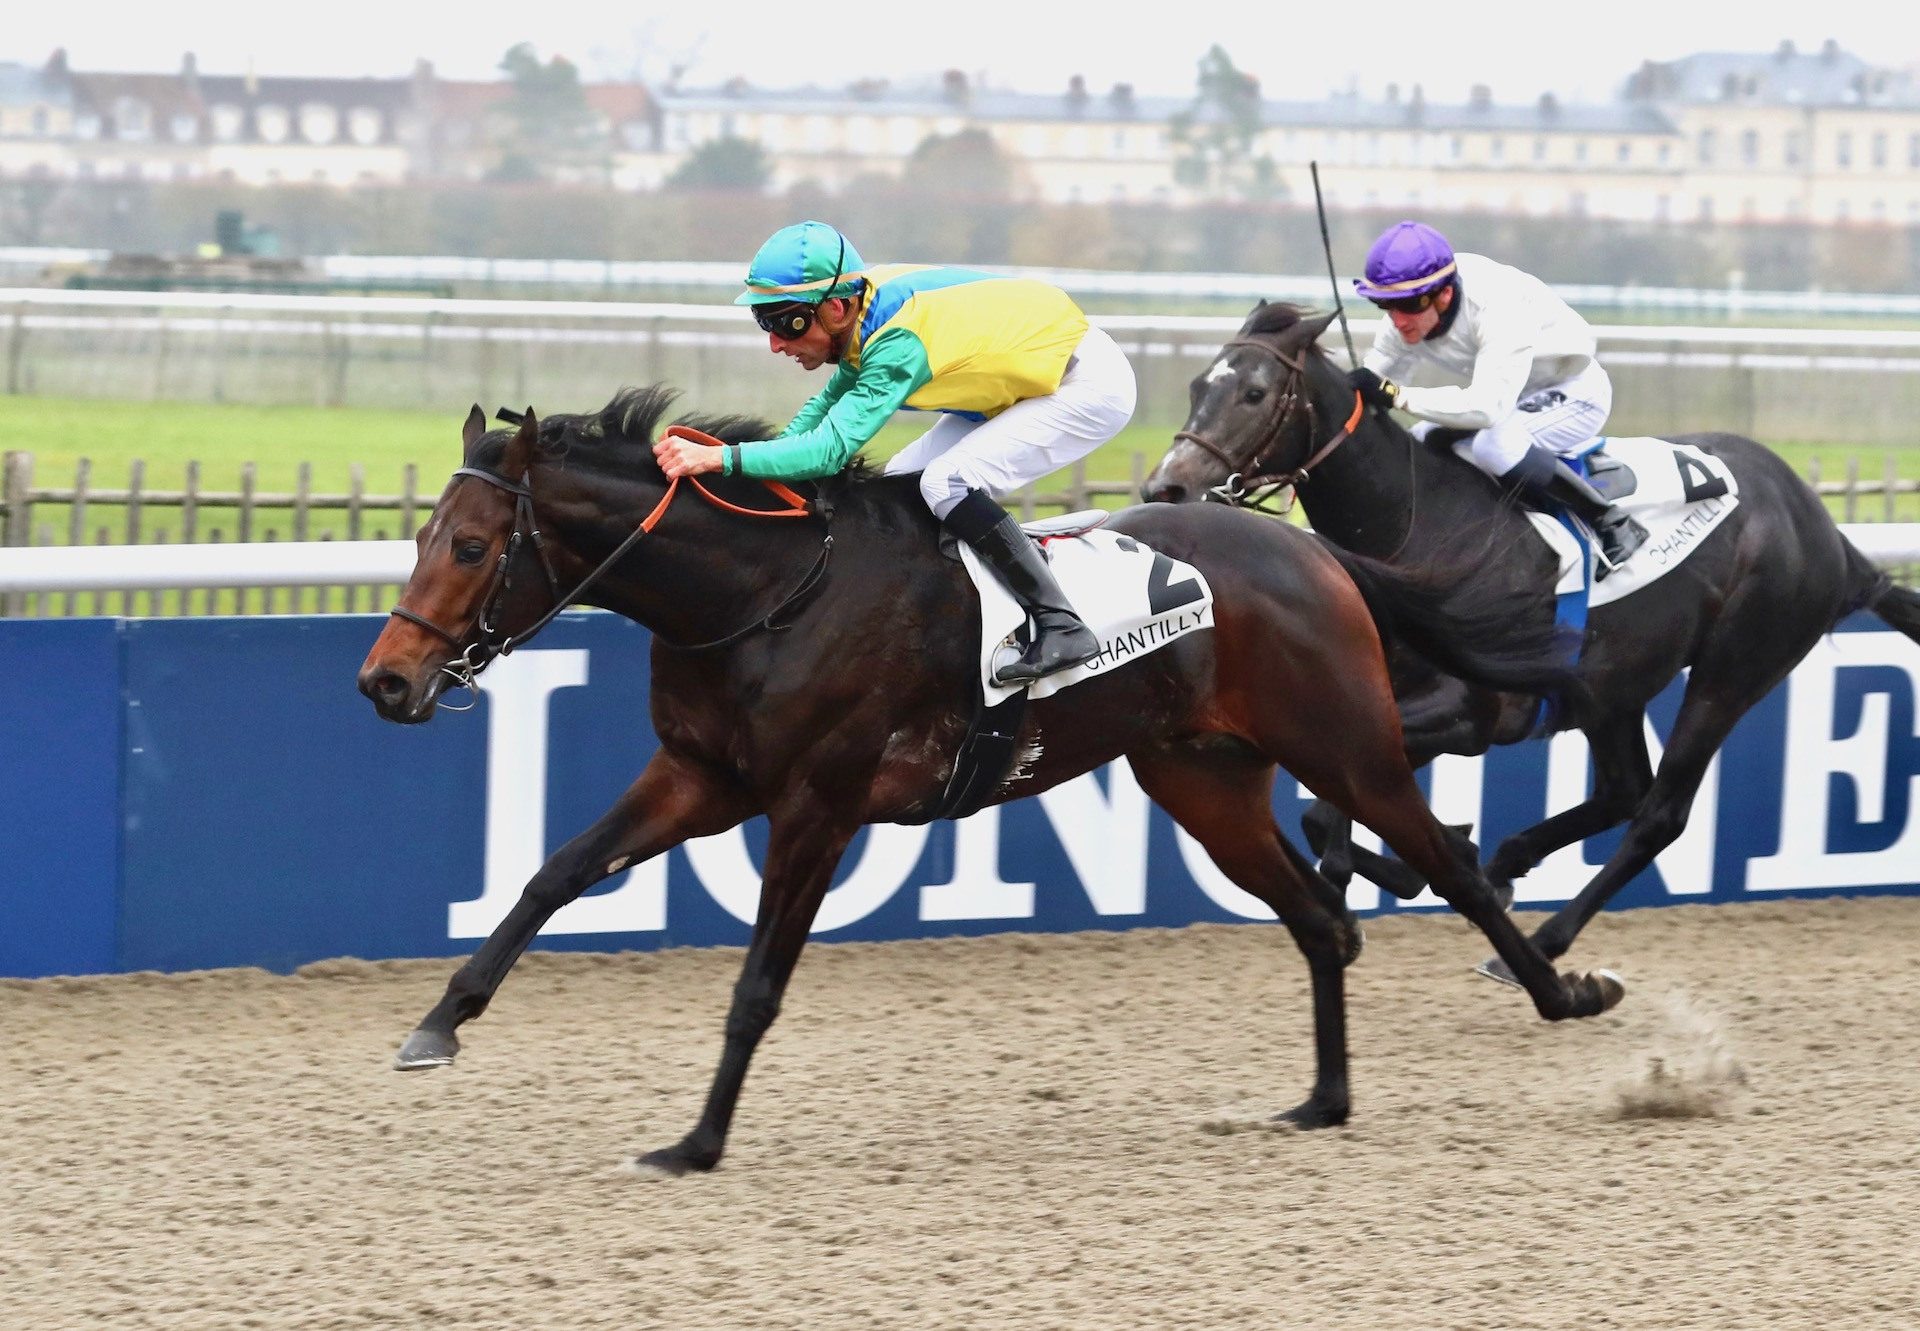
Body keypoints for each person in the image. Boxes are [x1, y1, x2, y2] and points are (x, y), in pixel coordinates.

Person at [652, 220, 1138, 684]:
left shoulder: (895, 341)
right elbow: (825, 406)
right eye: (766, 322)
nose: (778, 343)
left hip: (1084, 385)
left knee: (945, 483)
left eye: (788, 322)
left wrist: (721, 459)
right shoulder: (860, 304)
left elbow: (829, 451)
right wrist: (759, 460)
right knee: (899, 483)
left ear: (836, 309)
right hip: (1023, 379)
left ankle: (1061, 624)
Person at [1344, 221, 1648, 576]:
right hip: (1512, 395)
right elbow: (1374, 382)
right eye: (1385, 304)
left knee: (1495, 447)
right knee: (1419, 442)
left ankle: (1610, 521)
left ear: (1443, 294)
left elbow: (1486, 408)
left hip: (1574, 392)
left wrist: (1397, 396)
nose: (1397, 320)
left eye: (1407, 306)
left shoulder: (1497, 306)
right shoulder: (1408, 314)